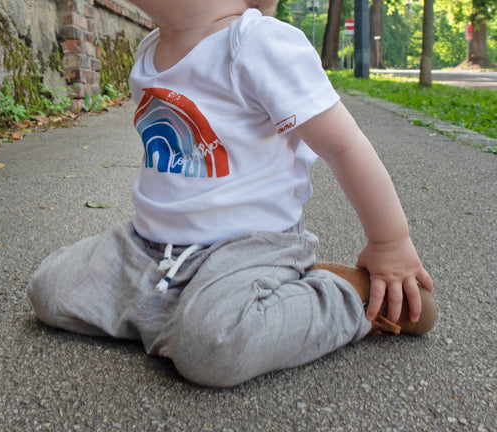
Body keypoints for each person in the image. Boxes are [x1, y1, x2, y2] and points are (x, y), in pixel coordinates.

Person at [27, 0, 436, 387]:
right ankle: (191, 310)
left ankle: (347, 296)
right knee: (50, 290)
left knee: (212, 348)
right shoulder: (150, 48)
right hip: (148, 247)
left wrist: (390, 242)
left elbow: (344, 146)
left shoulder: (258, 42)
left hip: (250, 246)